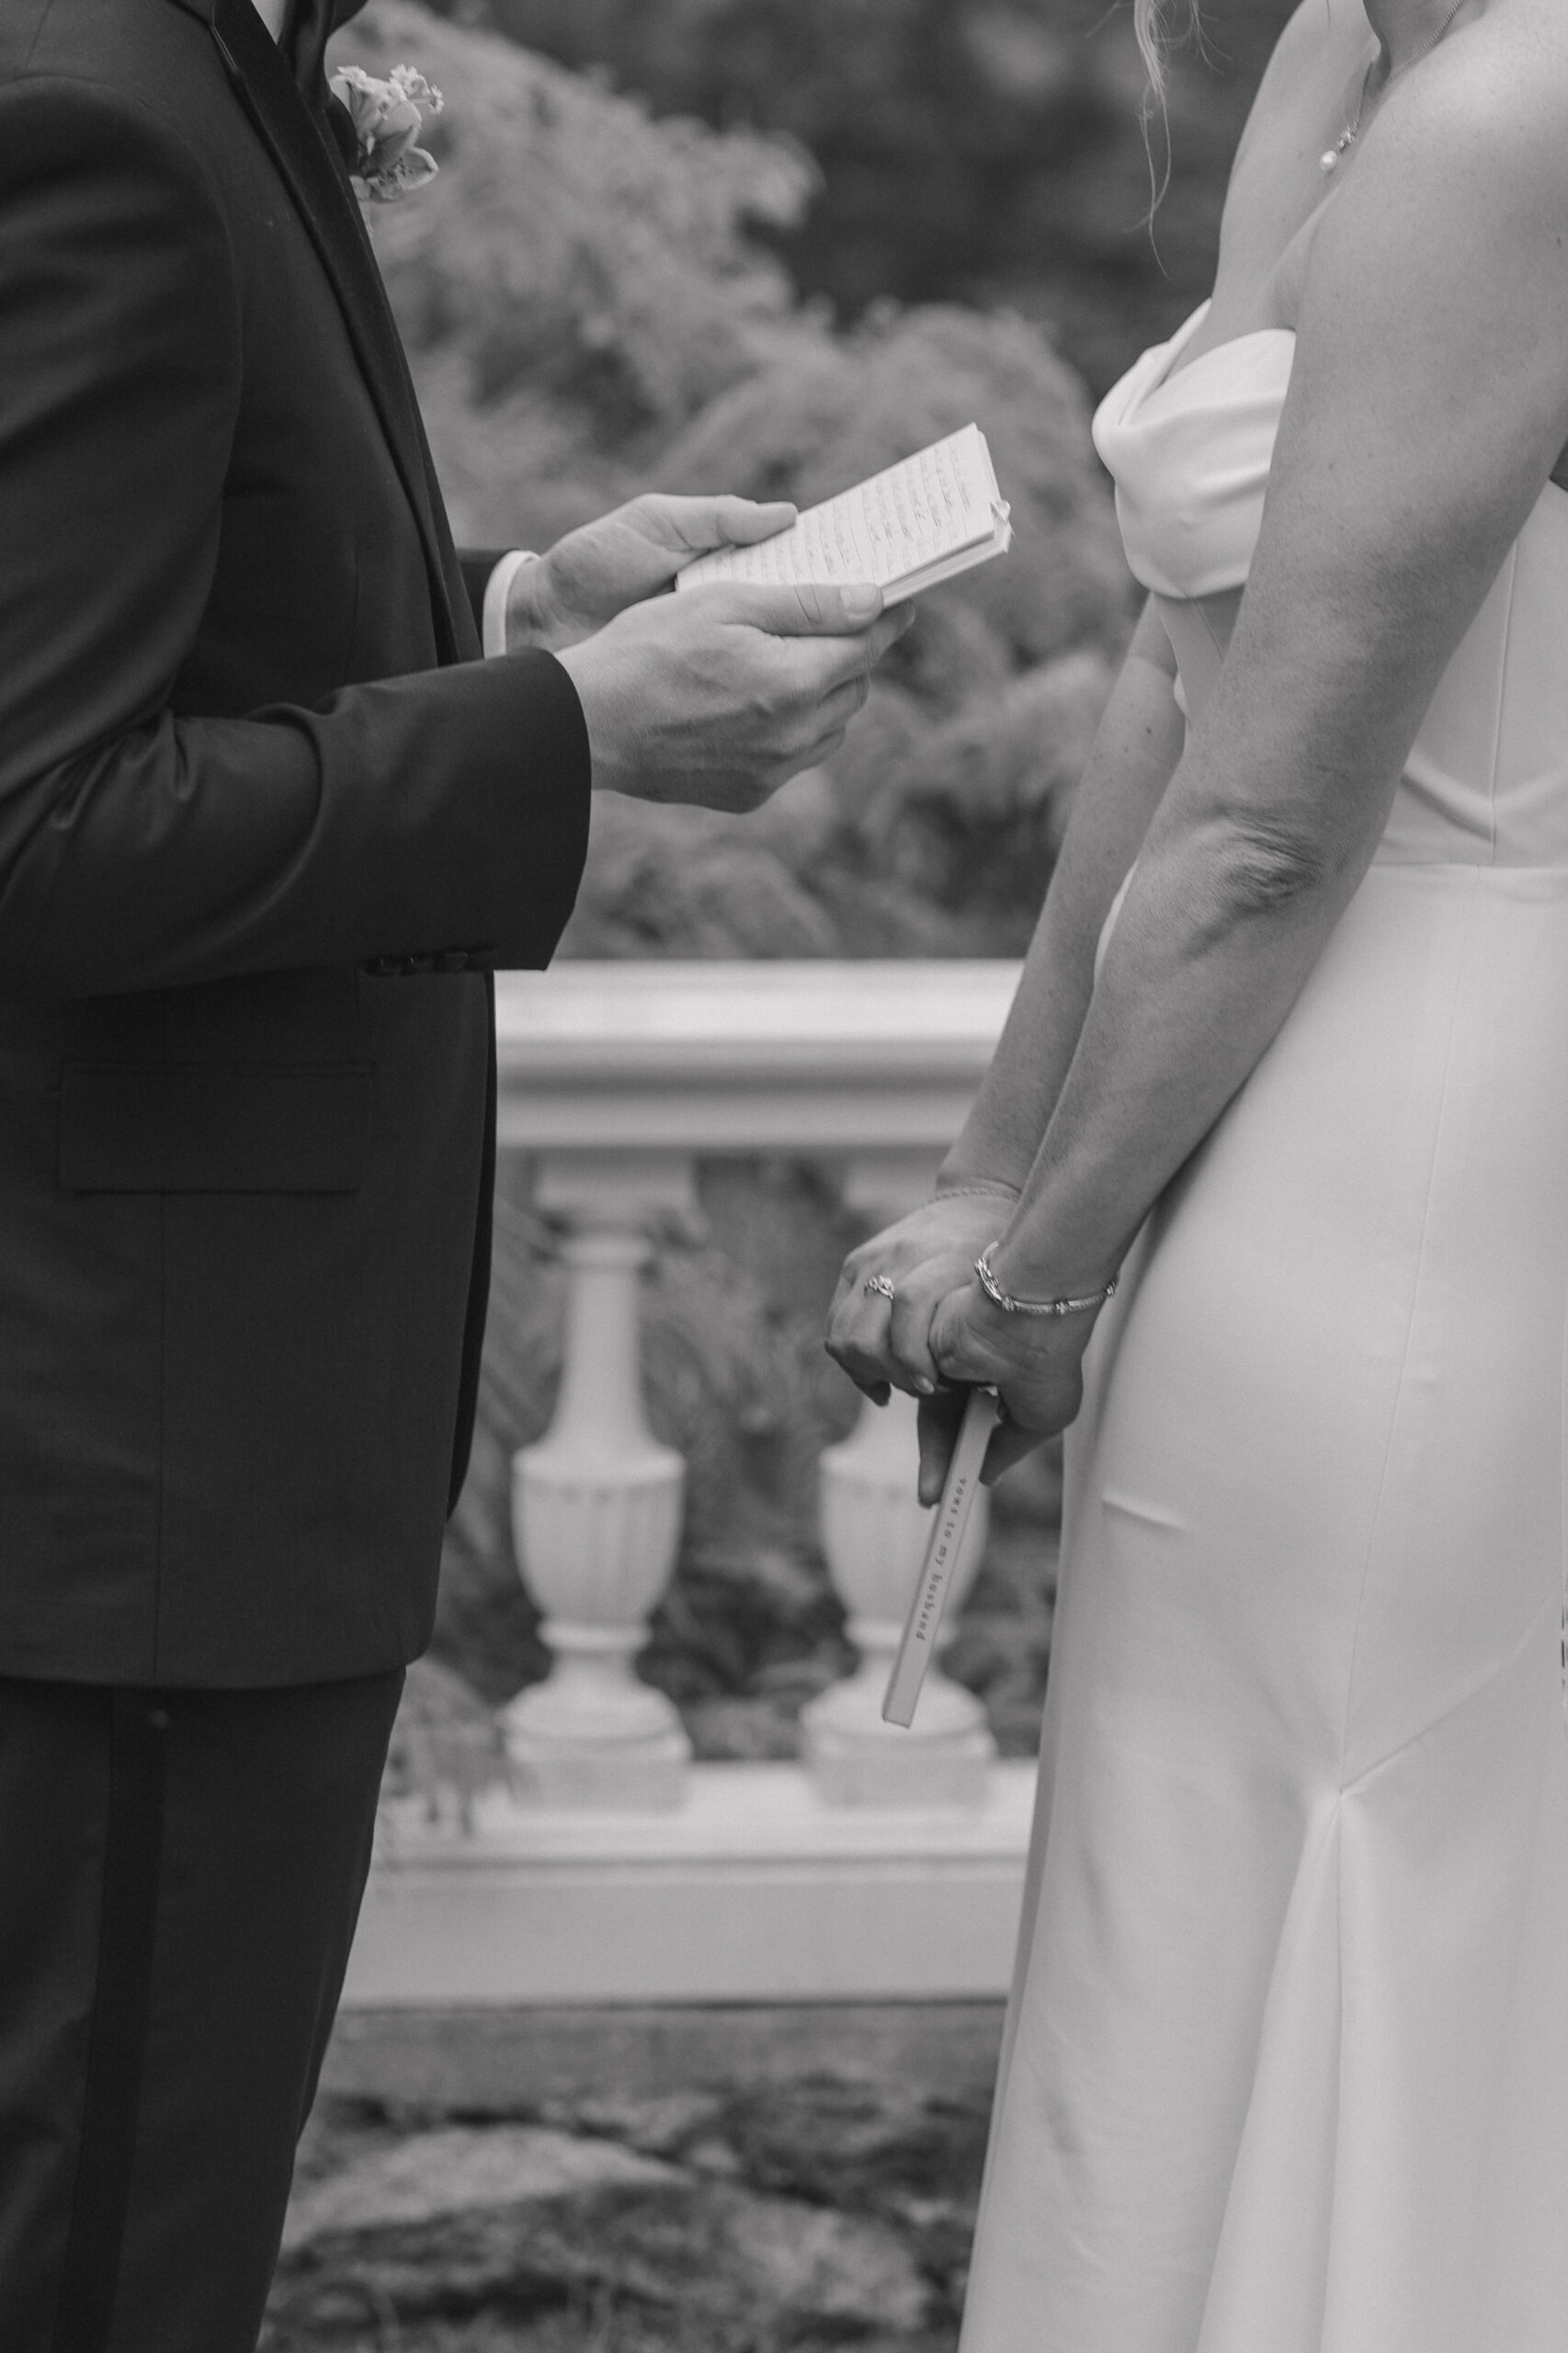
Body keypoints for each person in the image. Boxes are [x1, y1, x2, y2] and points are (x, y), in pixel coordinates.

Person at [0, 0, 909, 2341]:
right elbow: (42, 829)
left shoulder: (189, 68)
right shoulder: (95, 110)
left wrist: (514, 619)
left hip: (175, 1470)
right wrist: (563, 733)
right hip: (135, 1484)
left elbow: (186, 624)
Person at [828, 0, 1568, 2341]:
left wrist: (1043, 1274)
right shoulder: (1344, 58)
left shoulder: (1518, 105)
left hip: (1429, 1117)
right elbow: (1173, 686)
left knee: (1365, 1824)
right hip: (1239, 1110)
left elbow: (1270, 826)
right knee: (1182, 1848)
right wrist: (993, 1176)